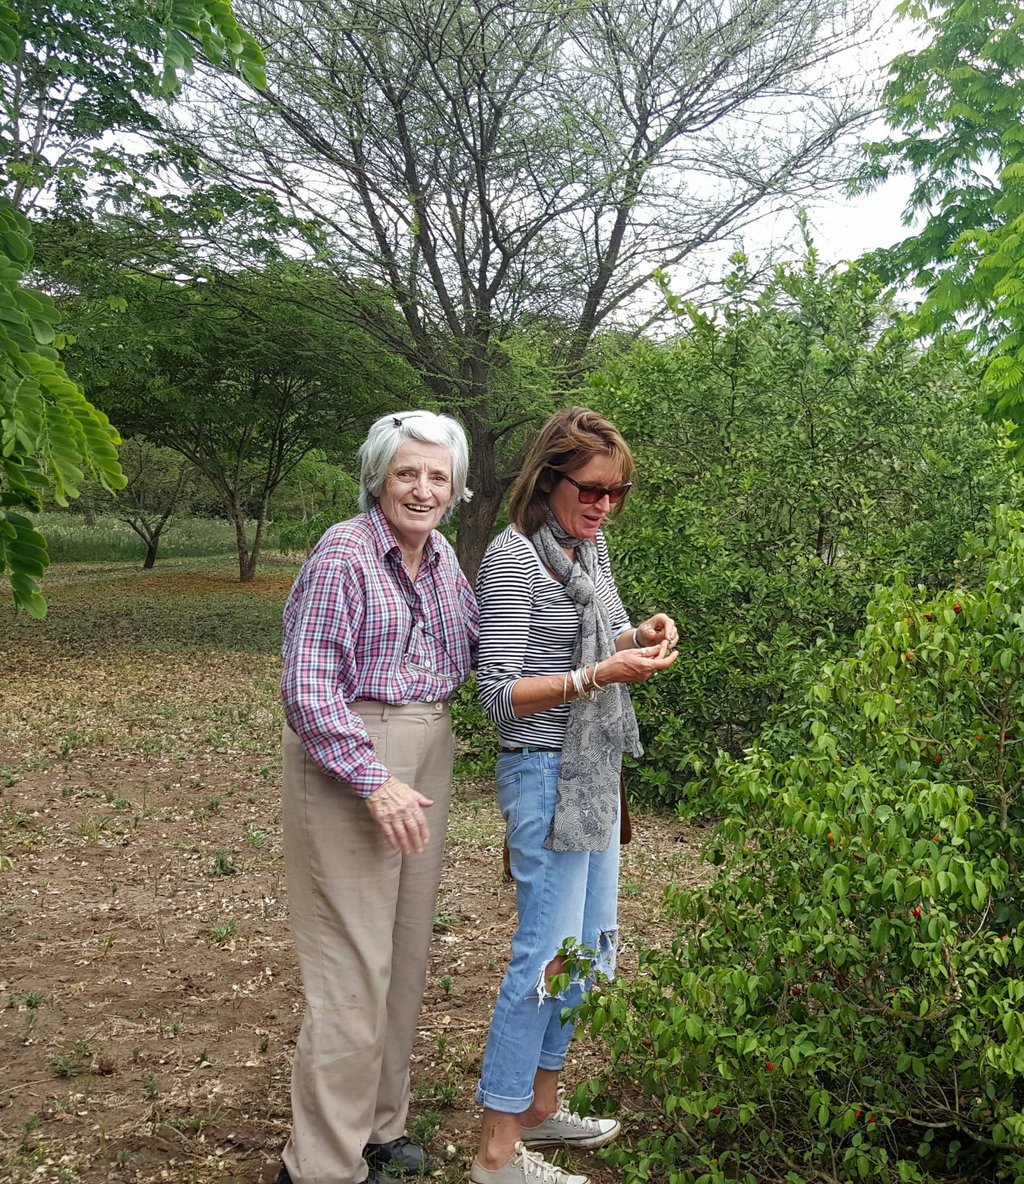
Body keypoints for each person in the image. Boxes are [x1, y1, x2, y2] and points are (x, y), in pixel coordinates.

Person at [470, 407, 679, 1184]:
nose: (604, 505)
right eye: (591, 489)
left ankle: (539, 1107)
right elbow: (496, 696)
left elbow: (614, 630)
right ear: (548, 478)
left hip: (592, 770)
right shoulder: (513, 558)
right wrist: (594, 677)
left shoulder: (588, 549)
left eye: (617, 492)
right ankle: (495, 1154)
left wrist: (644, 636)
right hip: (541, 770)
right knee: (545, 955)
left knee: (588, 952)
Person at [278, 410, 478, 1184]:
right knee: (351, 969)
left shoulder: (442, 558)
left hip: (428, 747)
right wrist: (373, 779)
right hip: (354, 755)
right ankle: (320, 1167)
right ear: (378, 479)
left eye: (437, 476)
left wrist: (607, 645)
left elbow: (483, 647)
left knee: (404, 953)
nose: (422, 489)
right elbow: (308, 687)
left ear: (455, 488)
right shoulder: (345, 552)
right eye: (406, 473)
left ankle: (377, 1128)